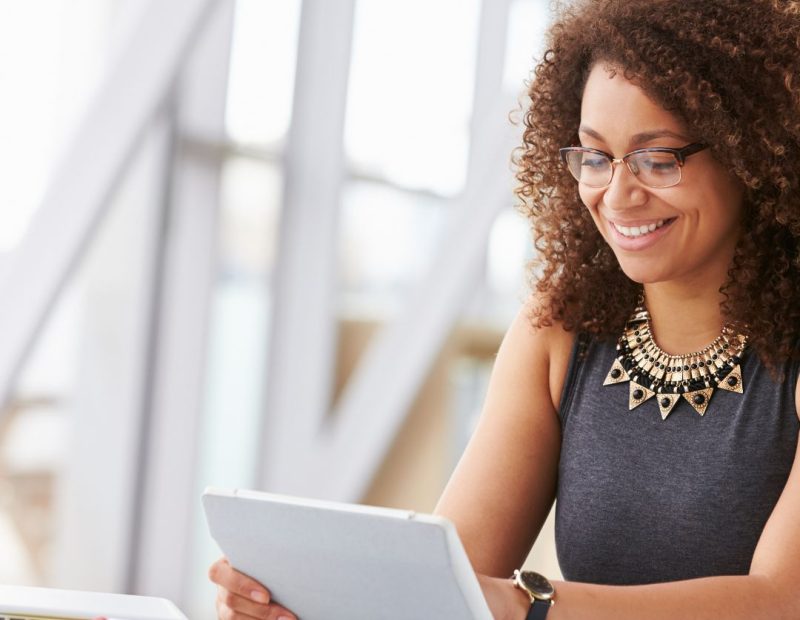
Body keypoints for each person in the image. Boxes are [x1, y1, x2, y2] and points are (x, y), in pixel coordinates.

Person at [209, 0, 800, 617]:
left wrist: (529, 605)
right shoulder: (561, 333)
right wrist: (306, 603)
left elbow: (782, 602)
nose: (618, 194)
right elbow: (448, 584)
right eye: (595, 156)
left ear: (756, 153)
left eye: (658, 158)